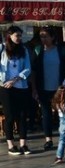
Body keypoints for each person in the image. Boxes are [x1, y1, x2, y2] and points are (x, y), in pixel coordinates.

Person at [31, 26, 65, 151]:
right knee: (46, 113)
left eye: (46, 36)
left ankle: (64, 139)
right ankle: (48, 139)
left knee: (62, 113)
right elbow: (33, 71)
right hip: (43, 87)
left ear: (53, 37)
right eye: (41, 36)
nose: (43, 39)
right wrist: (34, 89)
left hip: (58, 87)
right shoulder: (38, 50)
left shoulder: (60, 50)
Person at [1, 26, 33, 155]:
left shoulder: (23, 50)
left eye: (20, 36)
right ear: (9, 36)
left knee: (22, 115)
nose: (19, 38)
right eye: (16, 35)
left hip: (21, 85)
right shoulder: (2, 48)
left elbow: (28, 68)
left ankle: (23, 144)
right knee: (10, 116)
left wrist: (16, 79)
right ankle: (10, 144)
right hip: (5, 87)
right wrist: (5, 81)